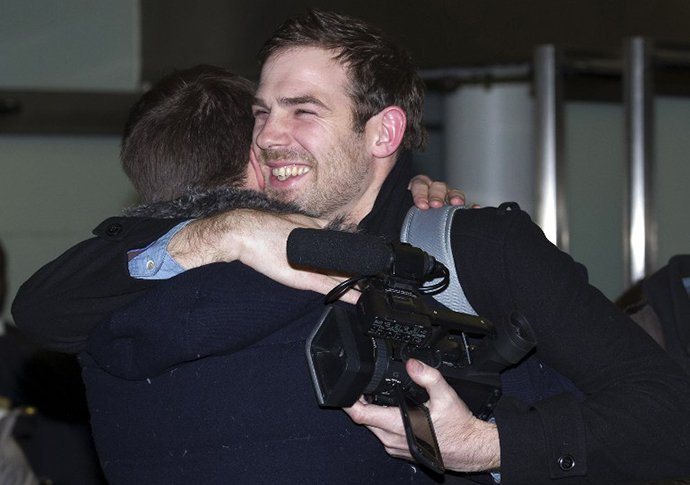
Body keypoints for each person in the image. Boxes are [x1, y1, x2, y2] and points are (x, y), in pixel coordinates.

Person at [12, 9, 690, 484]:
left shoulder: (478, 248)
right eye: (262, 111)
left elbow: (666, 418)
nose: (269, 137)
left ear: (382, 133)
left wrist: (486, 445)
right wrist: (224, 230)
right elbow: (45, 308)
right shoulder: (240, 262)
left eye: (303, 111)